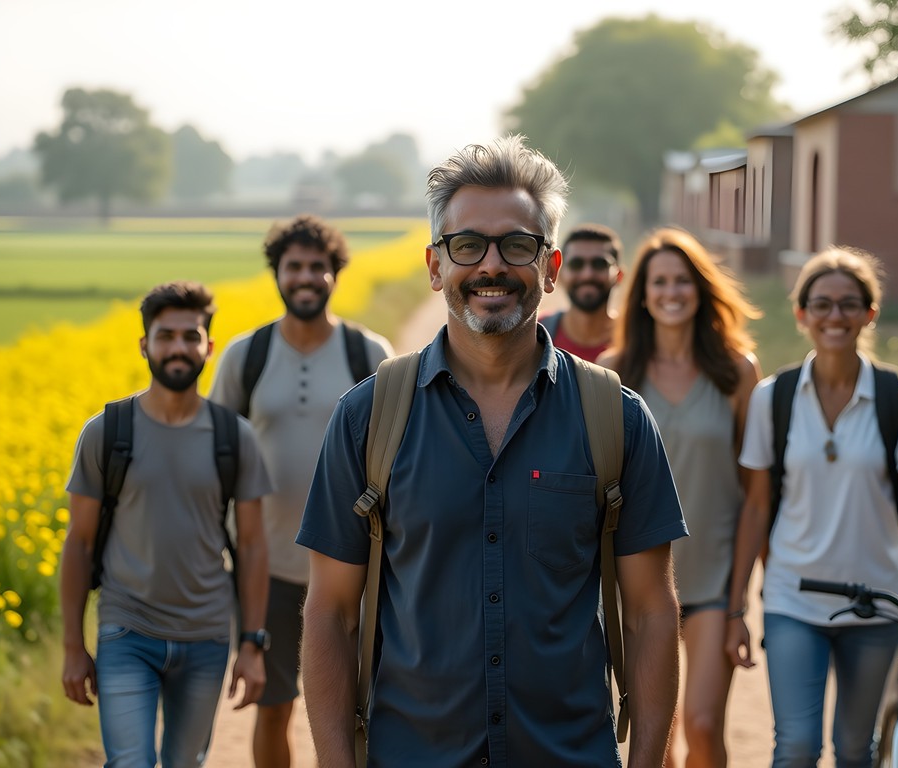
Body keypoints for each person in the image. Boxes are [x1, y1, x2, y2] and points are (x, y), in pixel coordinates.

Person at [297, 134, 688, 767]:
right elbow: (331, 615)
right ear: (434, 266)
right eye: (467, 245)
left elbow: (649, 614)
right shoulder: (368, 419)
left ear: (551, 268)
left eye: (517, 245)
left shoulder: (616, 419)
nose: (491, 266)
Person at [724, 246, 898, 767]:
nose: (835, 316)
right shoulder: (775, 397)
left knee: (856, 750)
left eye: (849, 304)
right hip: (794, 598)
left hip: (877, 602)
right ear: (802, 313)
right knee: (795, 747)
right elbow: (756, 508)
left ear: (869, 314)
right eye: (822, 304)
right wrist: (736, 608)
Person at [60, 280, 272, 768]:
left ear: (208, 347)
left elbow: (255, 545)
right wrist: (74, 646)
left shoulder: (233, 437)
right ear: (145, 345)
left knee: (184, 763)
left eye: (190, 336)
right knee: (130, 762)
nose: (178, 348)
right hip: (126, 630)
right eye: (166, 336)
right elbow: (79, 544)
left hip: (207, 635)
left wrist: (253, 643)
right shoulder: (106, 432)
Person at [209, 214, 393, 768]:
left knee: (351, 708)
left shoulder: (370, 355)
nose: (306, 277)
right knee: (274, 706)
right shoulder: (247, 355)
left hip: (354, 566)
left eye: (319, 266)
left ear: (335, 274)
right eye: (294, 267)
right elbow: (214, 456)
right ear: (277, 274)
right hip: (267, 568)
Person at [598, 227, 761, 768]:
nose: (671, 291)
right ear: (641, 293)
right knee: (654, 738)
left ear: (701, 289)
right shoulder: (614, 373)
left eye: (683, 280)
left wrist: (740, 601)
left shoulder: (737, 373)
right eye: (659, 281)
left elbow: (755, 495)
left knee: (703, 725)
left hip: (712, 582)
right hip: (638, 588)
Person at [538, 222, 624, 362]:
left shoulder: (635, 339)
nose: (587, 275)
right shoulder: (536, 334)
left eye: (599, 264)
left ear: (619, 276)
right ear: (558, 274)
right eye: (576, 264)